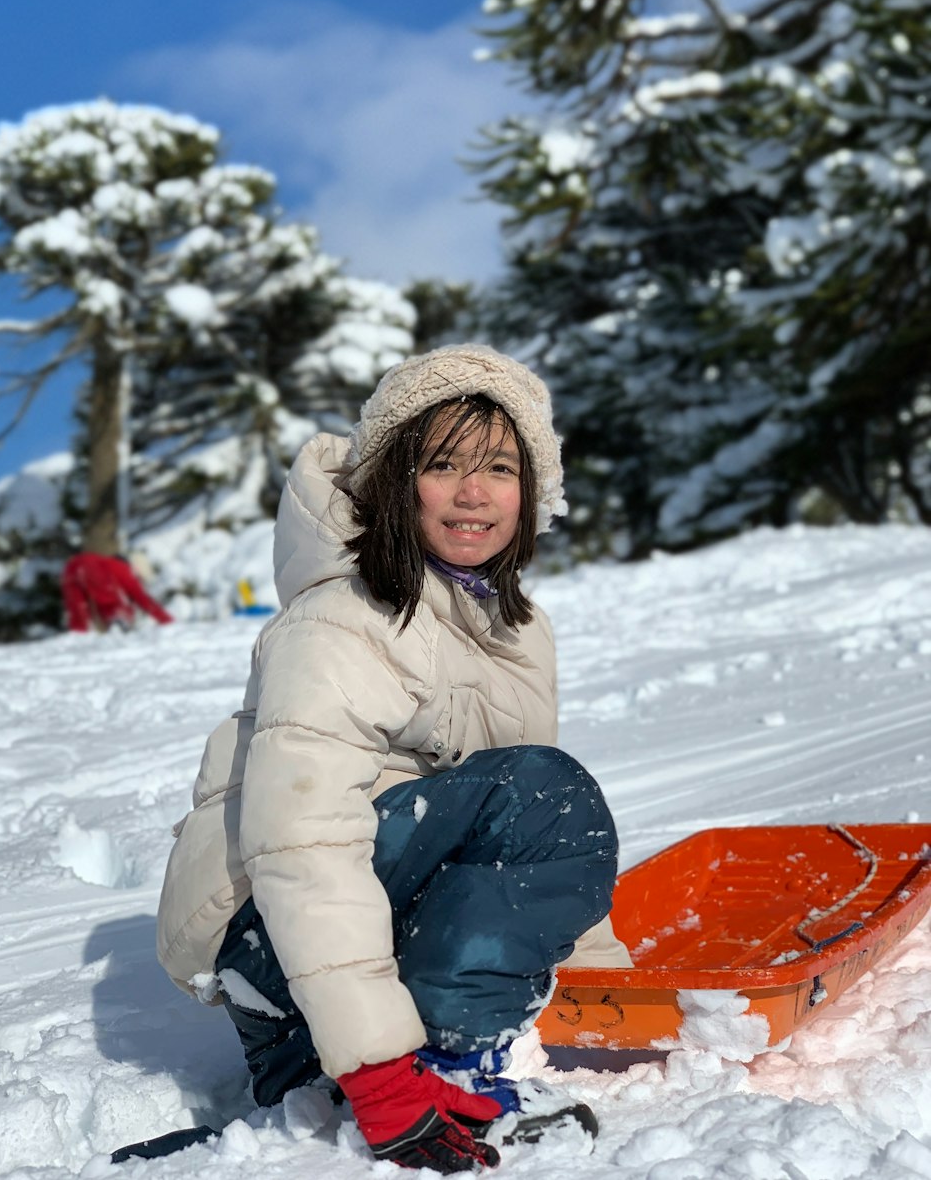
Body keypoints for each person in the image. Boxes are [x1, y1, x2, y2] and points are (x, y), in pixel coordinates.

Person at [155, 345, 629, 1173]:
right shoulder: (345, 617)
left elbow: (511, 860)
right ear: (394, 479)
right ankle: (441, 1060)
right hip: (267, 930)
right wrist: (383, 1076)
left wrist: (610, 987)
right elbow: (304, 840)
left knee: (533, 798)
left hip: (343, 935)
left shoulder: (515, 630)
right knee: (549, 795)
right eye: (443, 464)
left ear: (534, 490)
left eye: (502, 467)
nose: (474, 493)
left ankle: (333, 1070)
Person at [61, 552, 173, 633]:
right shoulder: (123, 568)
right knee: (112, 605)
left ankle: (78, 638)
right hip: (89, 567)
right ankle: (119, 625)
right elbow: (142, 598)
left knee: (77, 611)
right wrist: (166, 620)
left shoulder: (106, 563)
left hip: (70, 569)